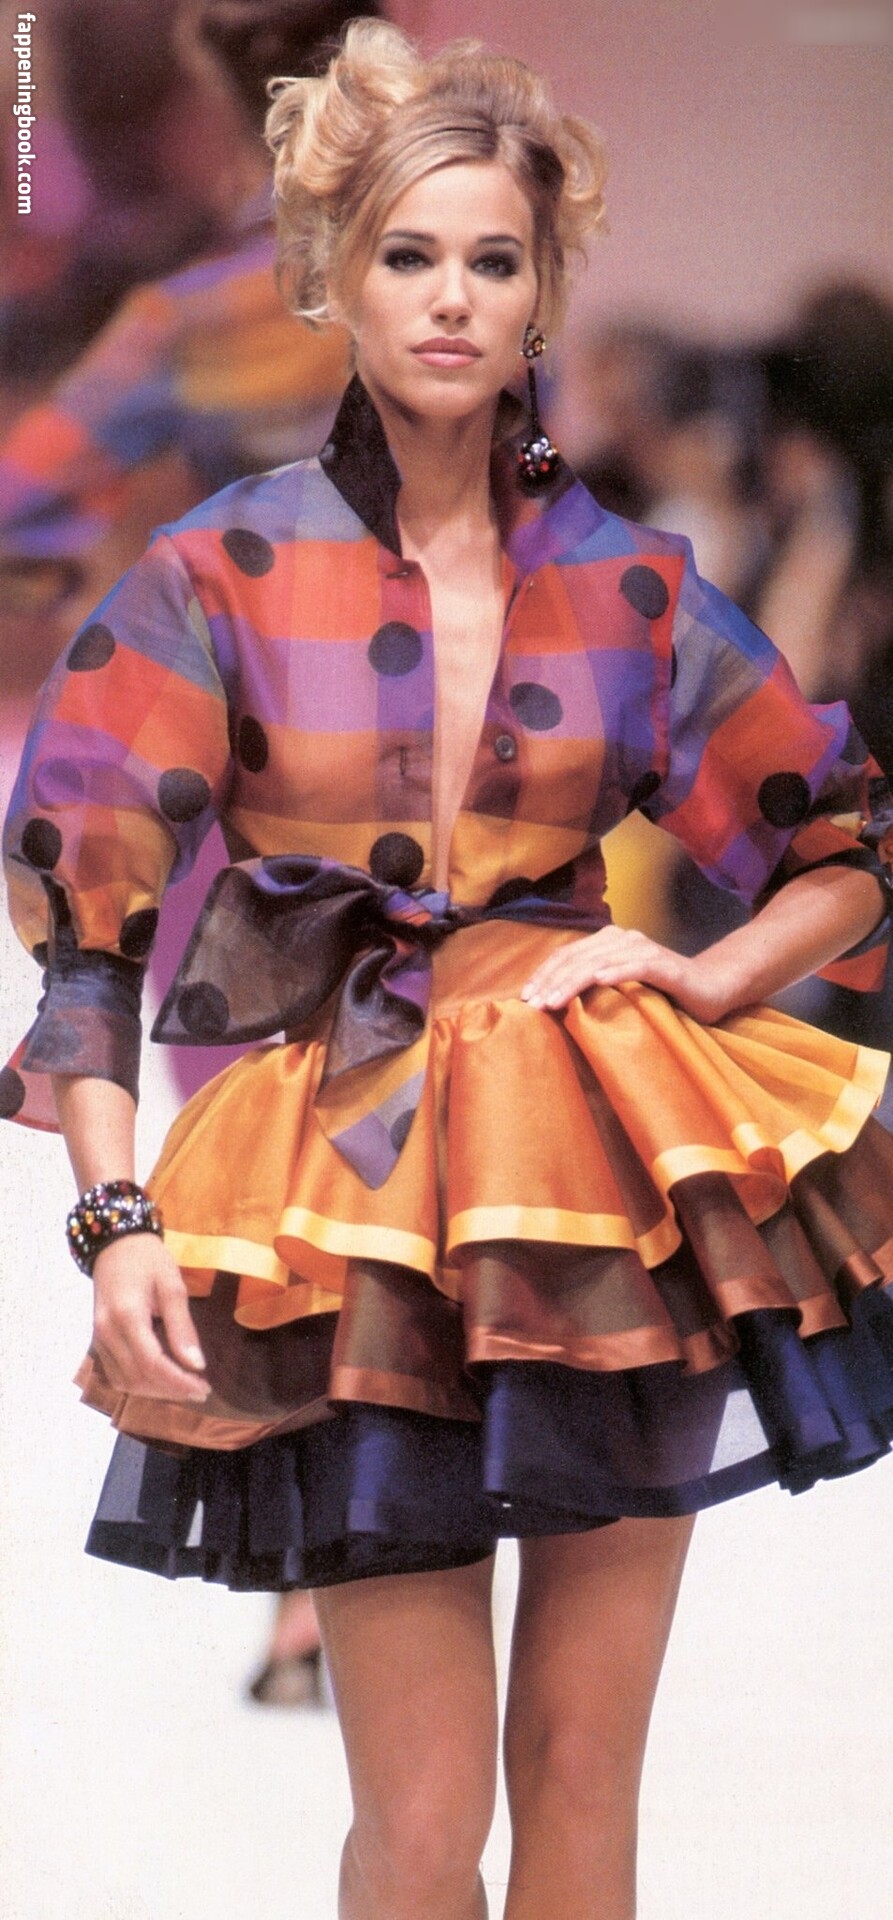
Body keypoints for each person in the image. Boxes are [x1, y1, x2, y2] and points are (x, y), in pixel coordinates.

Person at [5, 20, 893, 1918]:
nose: (450, 297)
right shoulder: (216, 577)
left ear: (541, 291)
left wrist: (713, 974)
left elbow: (843, 838)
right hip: (348, 1208)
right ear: (334, 274)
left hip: (599, 1189)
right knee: (416, 1824)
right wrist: (114, 1215)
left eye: (494, 259)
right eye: (409, 254)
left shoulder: (632, 588)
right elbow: (84, 923)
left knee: (580, 1776)